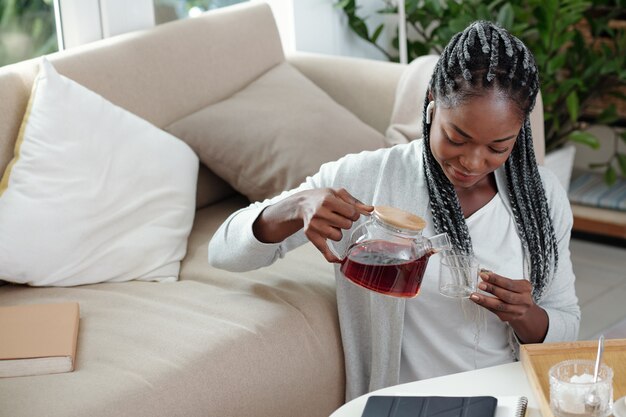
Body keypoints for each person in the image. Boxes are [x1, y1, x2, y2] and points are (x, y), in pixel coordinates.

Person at [208, 21, 580, 401]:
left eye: (498, 147)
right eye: (457, 138)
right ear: (433, 104)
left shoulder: (541, 198)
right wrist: (295, 206)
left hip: (512, 402)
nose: (472, 161)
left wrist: (526, 315)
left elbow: (567, 322)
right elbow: (221, 252)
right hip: (405, 406)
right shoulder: (369, 178)